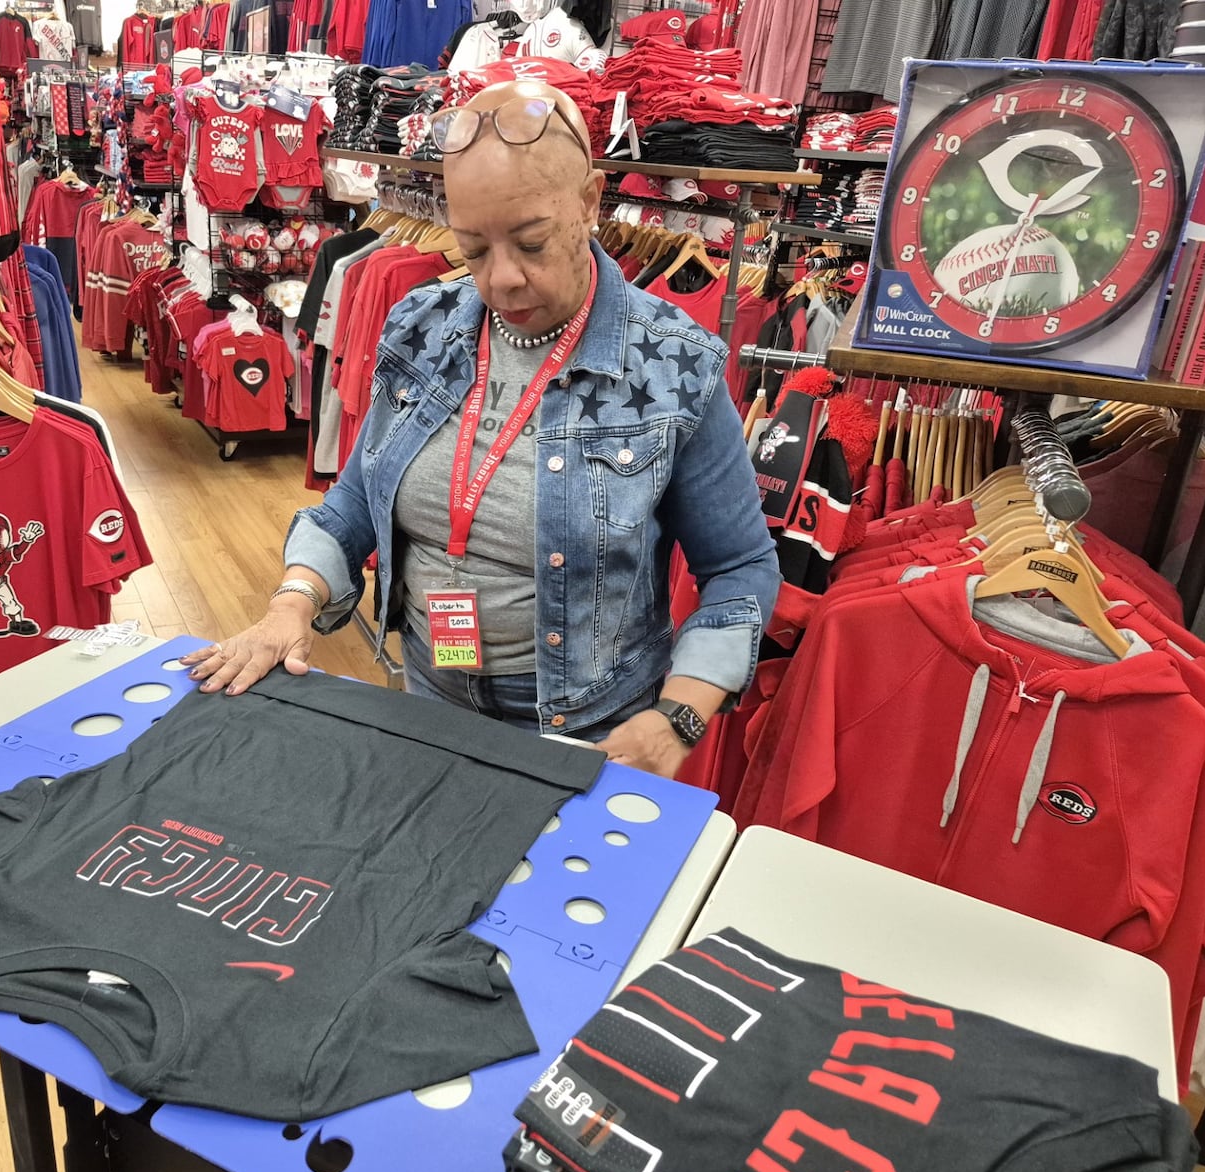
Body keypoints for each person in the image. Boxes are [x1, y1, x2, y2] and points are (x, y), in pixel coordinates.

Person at [184, 79, 779, 779]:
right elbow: (353, 500)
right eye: (472, 249)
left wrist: (679, 716)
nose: (503, 280)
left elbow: (739, 566)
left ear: (589, 202)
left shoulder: (673, 366)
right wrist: (292, 602)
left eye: (531, 243)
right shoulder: (422, 324)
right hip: (429, 696)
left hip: (587, 729)